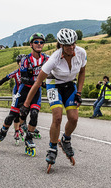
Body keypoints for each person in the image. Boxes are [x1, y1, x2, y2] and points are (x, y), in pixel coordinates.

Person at [20, 28, 86, 172]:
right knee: (57, 117)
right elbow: (37, 82)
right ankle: (52, 147)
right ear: (61, 45)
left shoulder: (81, 53)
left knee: (74, 118)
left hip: (70, 86)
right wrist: (26, 105)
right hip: (54, 85)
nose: (72, 47)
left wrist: (79, 92)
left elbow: (82, 72)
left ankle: (66, 140)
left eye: (73, 43)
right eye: (68, 45)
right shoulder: (54, 59)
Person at [0, 33, 48, 154]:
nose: (39, 44)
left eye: (41, 42)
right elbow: (25, 79)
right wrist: (41, 83)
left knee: (35, 113)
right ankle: (2, 133)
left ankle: (29, 138)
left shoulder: (47, 58)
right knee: (12, 116)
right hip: (24, 90)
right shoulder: (25, 60)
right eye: (36, 42)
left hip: (36, 91)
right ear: (31, 44)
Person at [0, 54, 25, 145]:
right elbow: (3, 80)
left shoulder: (30, 72)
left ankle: (20, 126)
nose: (23, 64)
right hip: (16, 94)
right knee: (15, 114)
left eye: (24, 62)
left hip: (27, 94)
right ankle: (16, 130)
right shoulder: (16, 73)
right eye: (20, 62)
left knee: (24, 113)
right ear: (18, 64)